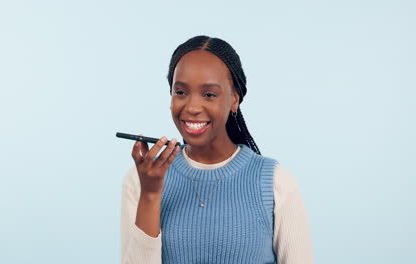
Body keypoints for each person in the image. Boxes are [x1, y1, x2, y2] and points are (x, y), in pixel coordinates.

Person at [120, 35, 313, 263]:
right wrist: (150, 195)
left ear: (234, 100)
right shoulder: (141, 179)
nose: (192, 107)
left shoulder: (276, 182)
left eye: (209, 94)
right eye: (180, 92)